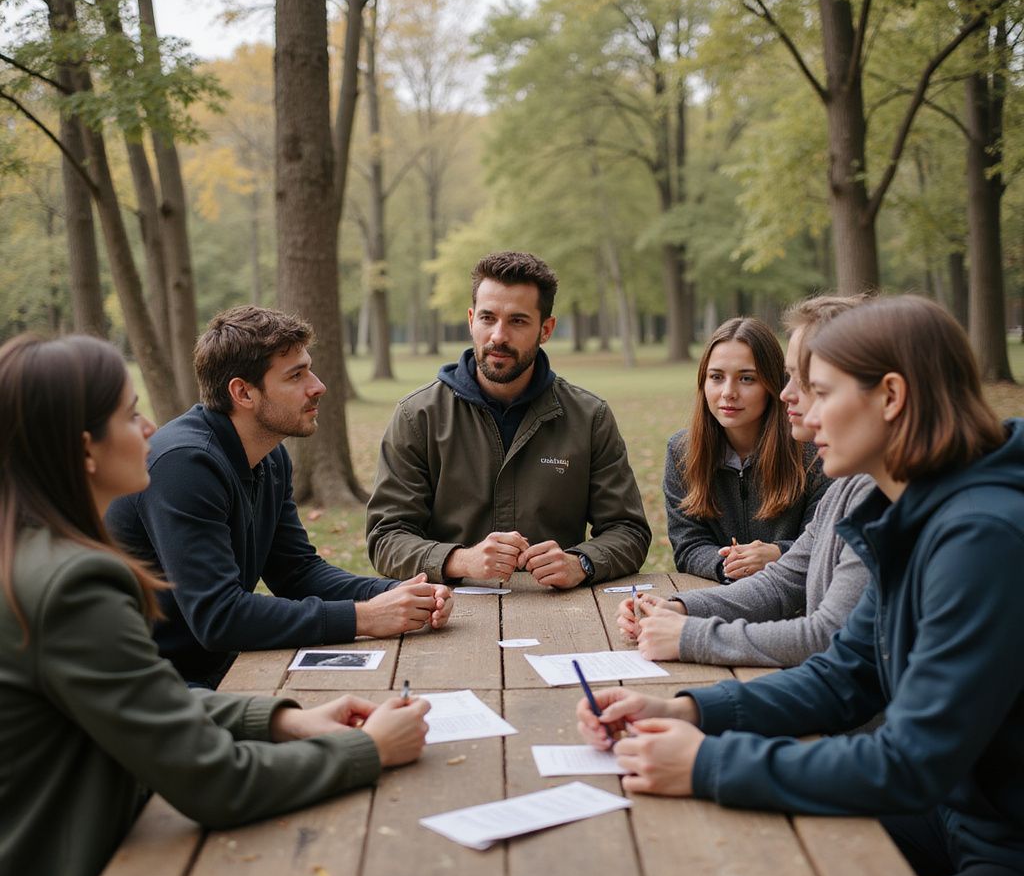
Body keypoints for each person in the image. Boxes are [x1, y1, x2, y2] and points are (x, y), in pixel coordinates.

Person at [578, 296, 1024, 876]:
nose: (802, 411)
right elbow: (845, 675)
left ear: (891, 396)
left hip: (1003, 845)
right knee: (769, 872)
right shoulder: (913, 508)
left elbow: (907, 761)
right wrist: (687, 711)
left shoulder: (982, 536)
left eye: (817, 389)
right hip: (953, 813)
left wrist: (705, 763)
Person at [0, 333, 431, 876]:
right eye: (129, 415)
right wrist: (369, 750)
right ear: (86, 450)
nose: (149, 428)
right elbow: (215, 784)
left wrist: (279, 720)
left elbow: (141, 696)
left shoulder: (35, 555)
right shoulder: (74, 584)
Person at [106, 307, 453, 689]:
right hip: (152, 688)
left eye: (310, 369)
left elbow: (297, 572)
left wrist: (397, 593)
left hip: (222, 671)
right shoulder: (183, 467)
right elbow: (219, 618)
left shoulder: (270, 456)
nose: (318, 386)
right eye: (296, 375)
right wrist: (365, 617)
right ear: (243, 392)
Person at [365, 251, 651, 588]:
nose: (498, 336)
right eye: (488, 318)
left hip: (561, 611)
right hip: (448, 611)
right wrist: (460, 560)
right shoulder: (418, 416)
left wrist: (581, 562)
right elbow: (386, 537)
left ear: (546, 329)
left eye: (517, 321)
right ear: (471, 319)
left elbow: (628, 530)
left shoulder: (589, 417)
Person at [621, 296, 874, 667]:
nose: (788, 393)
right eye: (716, 377)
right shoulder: (851, 486)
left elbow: (824, 634)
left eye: (812, 385)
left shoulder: (848, 477)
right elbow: (780, 583)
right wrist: (677, 606)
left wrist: (689, 635)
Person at [664, 316, 830, 583]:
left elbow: (824, 542)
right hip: (718, 596)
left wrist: (778, 553)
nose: (728, 392)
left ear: (773, 385)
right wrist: (729, 565)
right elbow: (688, 544)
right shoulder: (682, 451)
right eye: (716, 377)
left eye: (747, 379)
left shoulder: (813, 452)